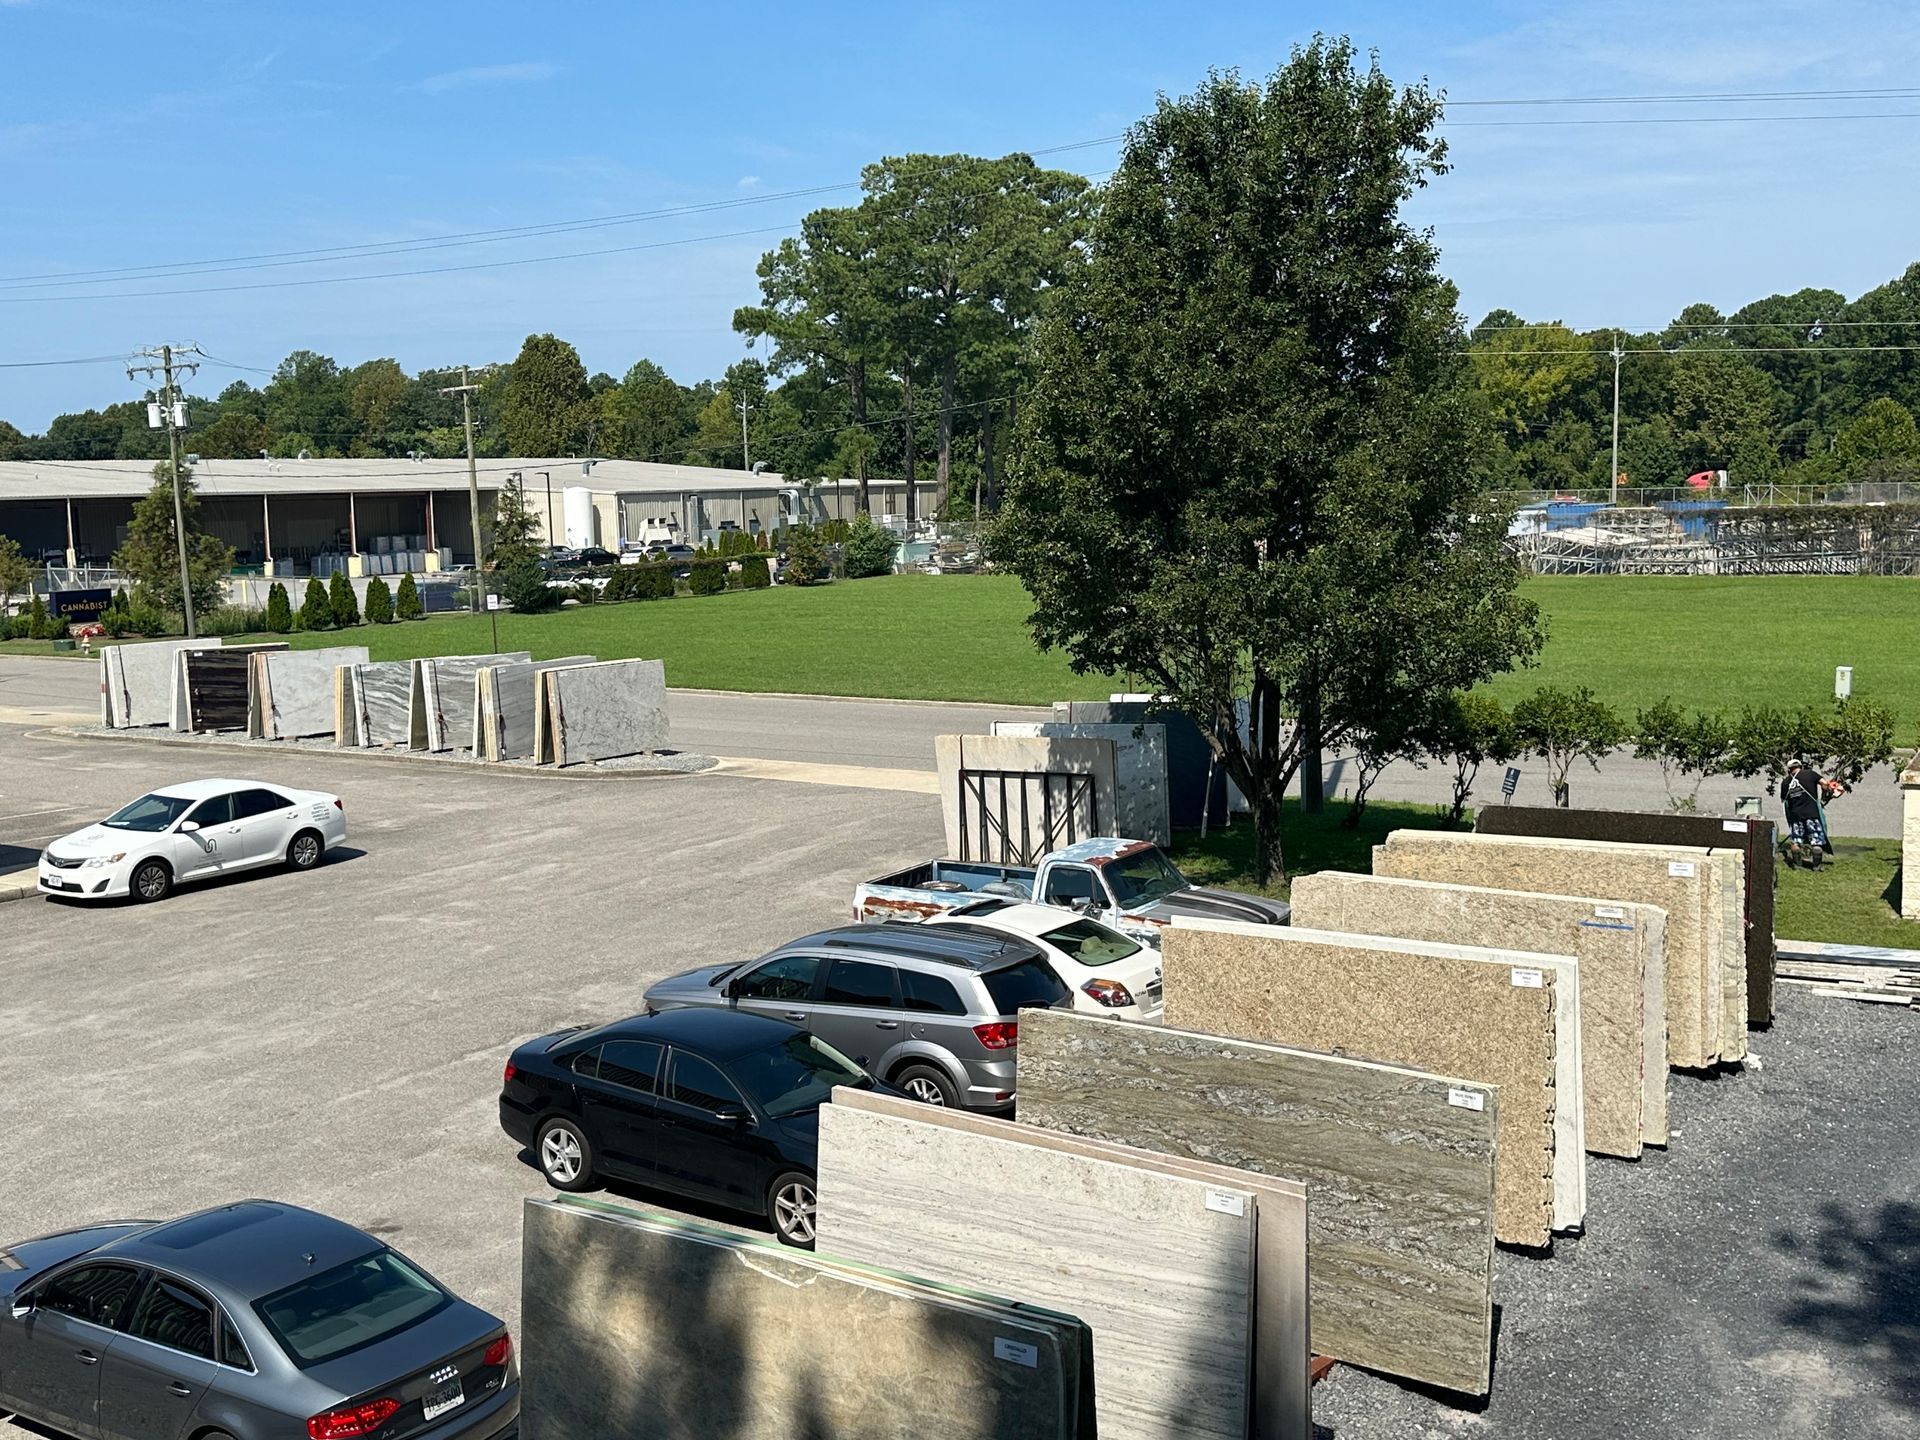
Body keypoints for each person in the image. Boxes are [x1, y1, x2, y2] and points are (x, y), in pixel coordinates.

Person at [1781, 758, 1842, 868]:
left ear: (1789, 769)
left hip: (1796, 815)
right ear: (1800, 766)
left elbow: (1784, 801)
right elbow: (1825, 784)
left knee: (1796, 841)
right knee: (1816, 841)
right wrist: (1832, 790)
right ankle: (1816, 866)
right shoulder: (1810, 774)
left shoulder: (1786, 782)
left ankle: (1797, 864)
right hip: (1811, 813)